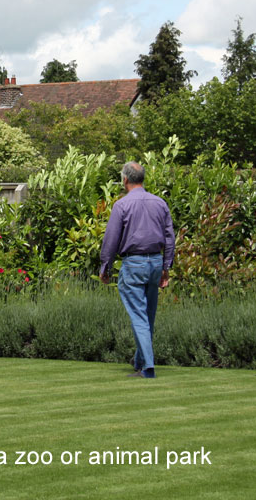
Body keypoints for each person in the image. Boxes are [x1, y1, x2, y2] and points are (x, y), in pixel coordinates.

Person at [99, 162, 175, 379]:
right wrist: (166, 267)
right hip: (155, 262)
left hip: (134, 263)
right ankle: (140, 361)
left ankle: (148, 368)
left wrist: (105, 267)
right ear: (142, 178)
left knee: (139, 315)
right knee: (148, 316)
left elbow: (111, 239)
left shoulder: (122, 205)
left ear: (125, 180)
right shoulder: (160, 203)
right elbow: (170, 237)